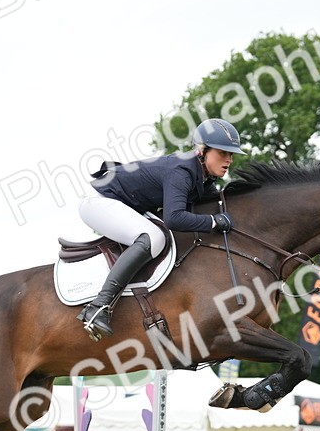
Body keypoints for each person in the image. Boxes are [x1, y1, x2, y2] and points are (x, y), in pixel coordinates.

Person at [74, 117, 243, 340]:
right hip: (98, 202)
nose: (229, 160)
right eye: (223, 153)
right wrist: (213, 222)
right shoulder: (182, 171)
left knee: (158, 235)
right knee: (153, 237)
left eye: (231, 155)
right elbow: (174, 218)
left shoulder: (201, 176)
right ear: (203, 151)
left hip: (123, 204)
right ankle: (98, 306)